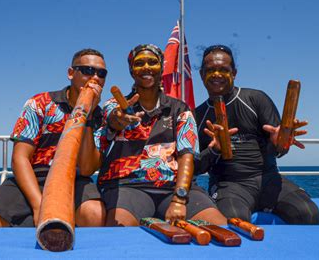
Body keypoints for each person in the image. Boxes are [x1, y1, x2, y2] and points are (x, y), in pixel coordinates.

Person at [79, 44, 226, 226]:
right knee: (120, 230)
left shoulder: (180, 109)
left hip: (174, 188)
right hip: (127, 187)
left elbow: (186, 155)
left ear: (161, 68)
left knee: (218, 224)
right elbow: (113, 117)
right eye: (139, 63)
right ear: (132, 71)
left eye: (152, 62)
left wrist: (179, 200)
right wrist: (118, 120)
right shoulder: (114, 106)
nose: (146, 67)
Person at [0, 49, 107, 227]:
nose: (95, 77)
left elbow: (87, 169)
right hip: (34, 177)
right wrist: (39, 205)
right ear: (71, 73)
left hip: (75, 180)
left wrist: (86, 113)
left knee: (95, 215)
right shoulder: (40, 103)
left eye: (101, 73)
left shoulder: (100, 116)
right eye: (87, 70)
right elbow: (20, 158)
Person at [195, 45, 319, 224]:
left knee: (308, 214)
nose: (217, 74)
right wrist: (215, 151)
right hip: (229, 185)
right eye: (210, 70)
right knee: (234, 221)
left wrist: (280, 142)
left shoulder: (256, 99)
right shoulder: (197, 116)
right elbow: (197, 168)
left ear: (234, 73)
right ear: (201, 74)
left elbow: (278, 150)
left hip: (268, 178)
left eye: (224, 69)